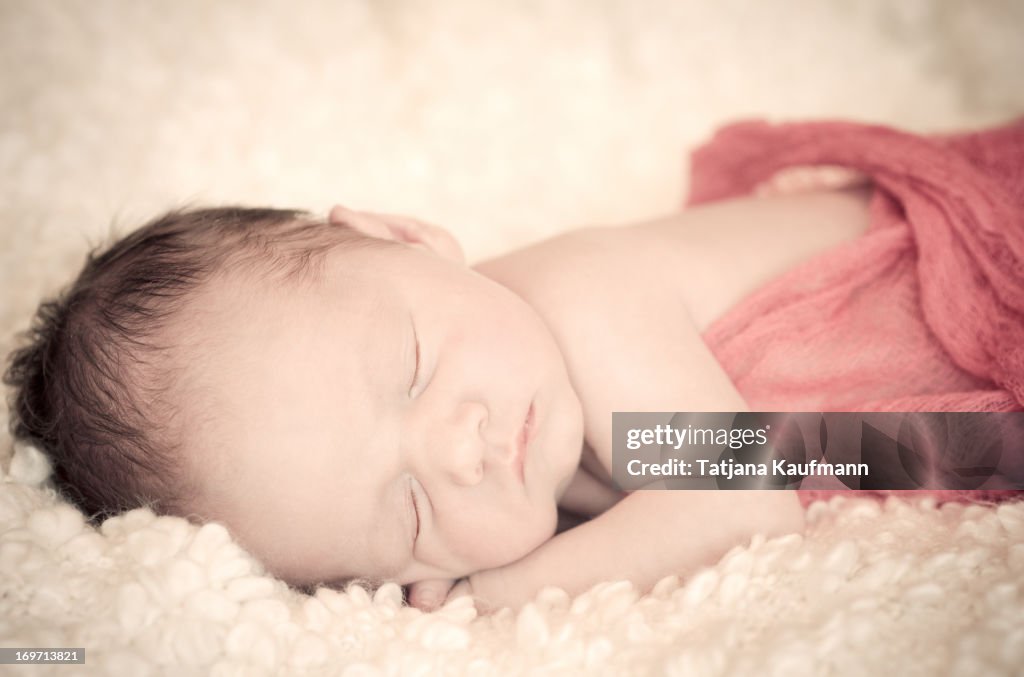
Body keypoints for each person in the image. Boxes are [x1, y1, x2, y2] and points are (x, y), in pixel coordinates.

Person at [6, 118, 1022, 613]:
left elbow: (742, 502)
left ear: (406, 235)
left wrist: (489, 599)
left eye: (410, 367)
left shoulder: (580, 296)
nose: (459, 446)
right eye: (405, 507)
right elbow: (912, 447)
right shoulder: (558, 457)